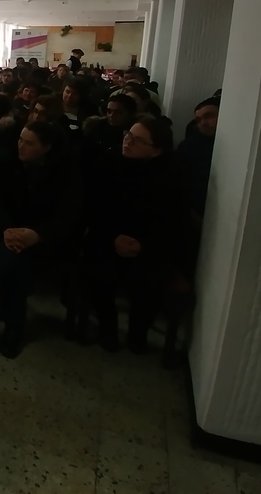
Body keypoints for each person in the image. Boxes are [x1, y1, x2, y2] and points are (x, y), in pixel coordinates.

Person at [0, 121, 80, 357]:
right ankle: (14, 326)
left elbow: (69, 215)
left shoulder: (67, 171)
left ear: (47, 148)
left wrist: (38, 234)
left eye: (29, 143)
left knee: (18, 253)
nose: (21, 146)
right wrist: (8, 229)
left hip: (50, 237)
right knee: (18, 254)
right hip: (10, 232)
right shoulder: (10, 161)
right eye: (20, 139)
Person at [86, 116, 183, 352]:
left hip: (147, 244)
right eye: (127, 135)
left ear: (156, 150)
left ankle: (138, 332)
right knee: (98, 273)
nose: (127, 141)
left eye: (137, 140)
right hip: (109, 237)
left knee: (150, 280)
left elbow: (171, 223)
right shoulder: (108, 163)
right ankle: (108, 327)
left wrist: (143, 245)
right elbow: (95, 207)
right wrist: (114, 237)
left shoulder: (170, 177)